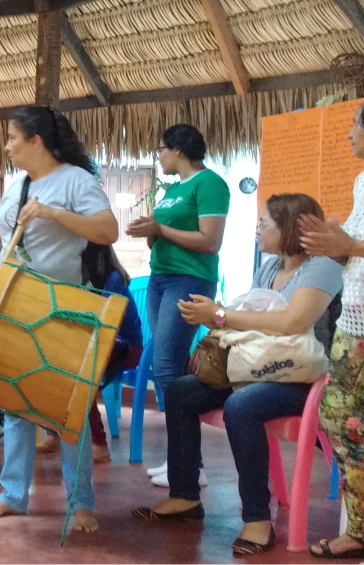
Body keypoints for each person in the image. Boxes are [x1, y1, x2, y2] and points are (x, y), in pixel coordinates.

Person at [133, 193, 342, 556]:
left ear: (290, 227)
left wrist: (219, 316)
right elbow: (255, 318)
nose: (257, 231)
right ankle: (184, 496)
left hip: (305, 379)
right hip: (260, 368)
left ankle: (257, 519)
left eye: (264, 225)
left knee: (242, 406)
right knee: (181, 390)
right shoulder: (270, 267)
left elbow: (292, 323)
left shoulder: (323, 267)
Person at [0, 105, 119, 533]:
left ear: (36, 141)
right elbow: (0, 237)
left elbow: (108, 231)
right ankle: (13, 494)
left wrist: (54, 214)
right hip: (18, 305)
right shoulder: (18, 187)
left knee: (67, 411)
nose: (8, 146)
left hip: (65, 306)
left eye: (13, 138)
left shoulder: (75, 180)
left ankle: (81, 501)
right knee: (16, 404)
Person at [299, 91, 364, 563]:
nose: (349, 131)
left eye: (356, 122)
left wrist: (356, 246)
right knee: (338, 417)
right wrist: (333, 247)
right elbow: (361, 250)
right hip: (358, 319)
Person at [125, 123, 229, 483]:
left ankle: (188, 465)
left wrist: (159, 229)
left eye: (162, 149)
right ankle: (181, 459)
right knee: (167, 364)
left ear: (179, 150)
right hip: (160, 278)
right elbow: (163, 236)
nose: (160, 156)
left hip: (189, 279)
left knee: (168, 367)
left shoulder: (210, 183)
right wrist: (149, 232)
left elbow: (209, 241)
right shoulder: (170, 190)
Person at [82, 244, 144, 464]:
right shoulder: (86, 276)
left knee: (80, 373)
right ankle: (54, 433)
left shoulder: (113, 278)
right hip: (108, 343)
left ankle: (99, 443)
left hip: (129, 348)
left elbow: (103, 321)